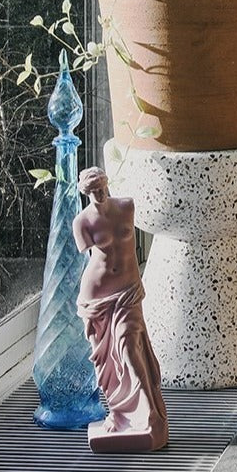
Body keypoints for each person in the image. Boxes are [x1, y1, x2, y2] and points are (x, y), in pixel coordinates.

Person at [72, 167, 168, 453]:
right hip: (97, 295)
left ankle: (149, 412)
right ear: (85, 193)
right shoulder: (82, 222)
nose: (99, 194)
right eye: (93, 191)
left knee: (128, 346)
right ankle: (119, 413)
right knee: (106, 364)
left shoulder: (127, 206)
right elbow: (88, 258)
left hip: (127, 291)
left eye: (101, 187)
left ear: (107, 183)